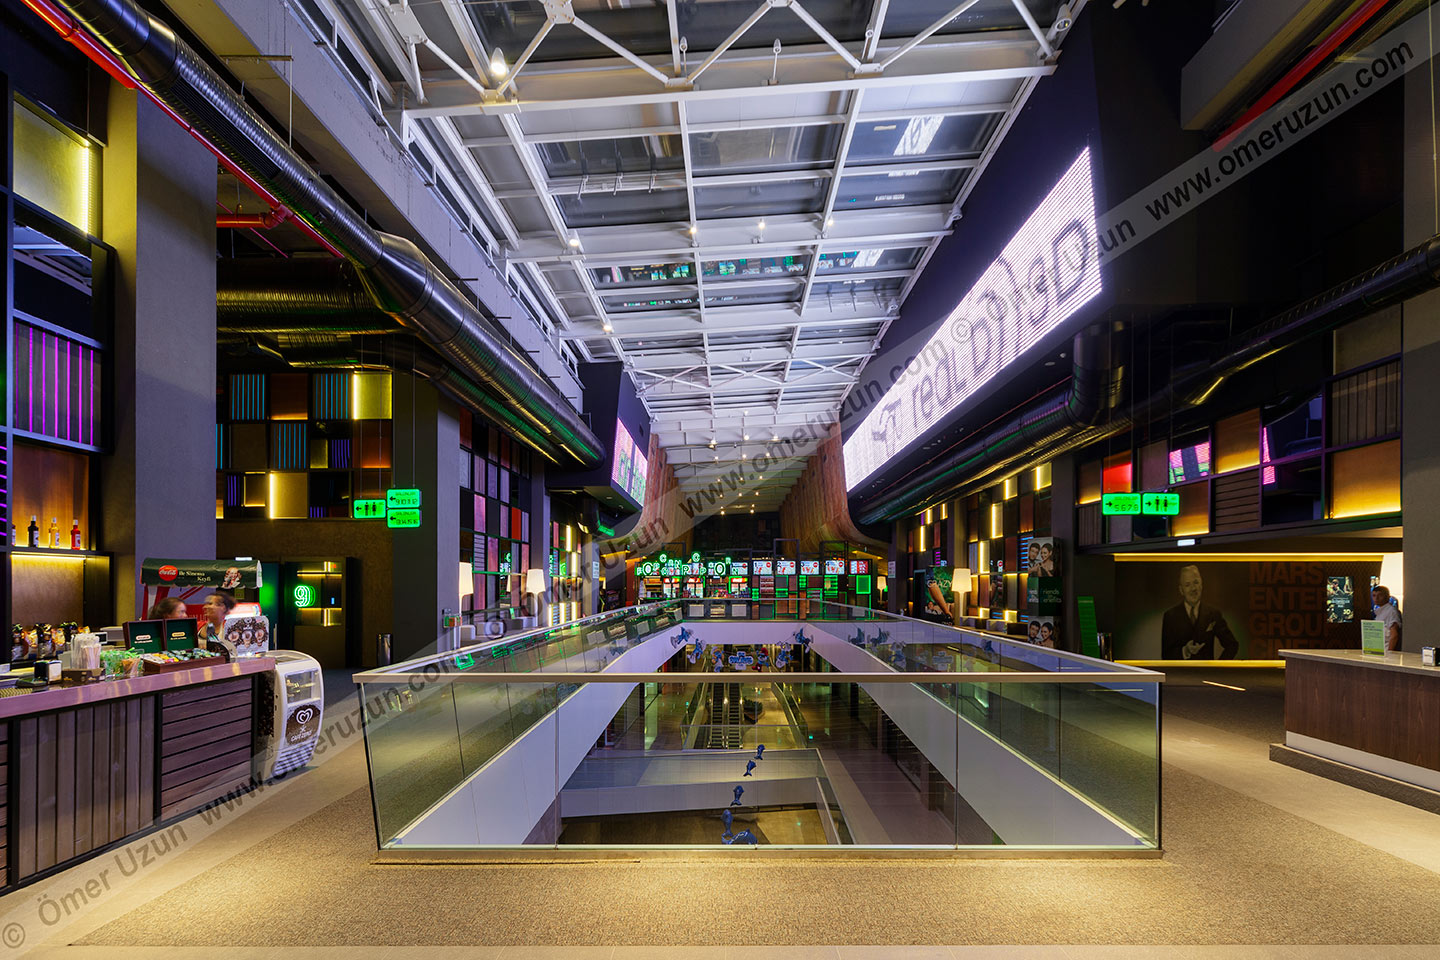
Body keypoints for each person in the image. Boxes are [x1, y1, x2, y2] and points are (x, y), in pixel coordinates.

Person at [1160, 565, 1238, 660]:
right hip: (1181, 674)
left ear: (1201, 585)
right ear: (1181, 590)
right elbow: (1166, 656)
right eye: (1187, 585)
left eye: (1196, 582)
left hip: (1206, 674)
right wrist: (1185, 651)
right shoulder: (1170, 616)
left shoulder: (1213, 614)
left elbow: (1232, 645)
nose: (1193, 589)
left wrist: (1217, 669)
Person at [1371, 585, 1402, 652]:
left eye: (1380, 595)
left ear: (1387, 596)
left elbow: (1394, 635)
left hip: (1386, 651)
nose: (1376, 598)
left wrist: (1390, 653)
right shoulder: (1380, 612)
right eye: (1374, 595)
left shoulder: (1391, 611)